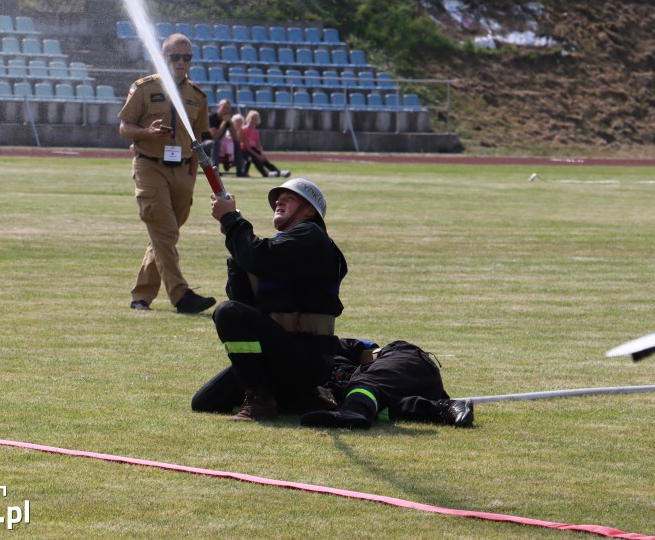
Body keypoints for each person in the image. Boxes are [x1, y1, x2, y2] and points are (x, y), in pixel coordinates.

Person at [208, 177, 347, 421]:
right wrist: (234, 240)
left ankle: (261, 401)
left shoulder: (311, 236)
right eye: (277, 199)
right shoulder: (286, 245)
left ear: (309, 211)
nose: (278, 202)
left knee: (227, 311)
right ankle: (295, 398)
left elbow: (260, 259)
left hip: (307, 356)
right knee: (207, 402)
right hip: (281, 352)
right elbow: (245, 302)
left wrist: (232, 222)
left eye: (289, 198)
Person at [117, 33, 217, 315]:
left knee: (164, 236)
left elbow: (198, 138)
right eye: (176, 57)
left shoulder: (197, 95)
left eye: (187, 58)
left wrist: (192, 175)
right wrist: (147, 132)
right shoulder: (144, 88)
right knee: (165, 231)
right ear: (163, 58)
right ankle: (181, 295)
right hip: (150, 166)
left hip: (183, 170)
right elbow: (124, 127)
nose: (182, 63)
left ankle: (141, 296)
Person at [191, 338, 474, 430]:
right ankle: (445, 409)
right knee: (381, 408)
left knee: (362, 386)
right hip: (384, 397)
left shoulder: (323, 346)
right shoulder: (273, 387)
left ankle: (356, 409)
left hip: (403, 362)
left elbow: (372, 354)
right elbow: (204, 402)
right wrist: (249, 360)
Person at [239, 110, 290, 178]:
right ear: (248, 118)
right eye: (252, 118)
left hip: (253, 149)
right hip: (246, 150)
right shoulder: (244, 129)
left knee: (264, 160)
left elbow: (258, 144)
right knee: (256, 159)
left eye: (255, 119)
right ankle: (265, 173)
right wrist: (257, 155)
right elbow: (245, 146)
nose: (253, 120)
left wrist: (261, 154)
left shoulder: (255, 131)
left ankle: (278, 172)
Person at [204, 99, 246, 177]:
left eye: (228, 108)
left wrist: (231, 123)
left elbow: (235, 137)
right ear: (219, 107)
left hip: (217, 145)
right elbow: (215, 136)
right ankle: (215, 169)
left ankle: (240, 170)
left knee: (236, 143)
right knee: (216, 142)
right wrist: (223, 122)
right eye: (224, 107)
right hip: (204, 145)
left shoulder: (226, 119)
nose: (226, 110)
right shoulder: (211, 117)